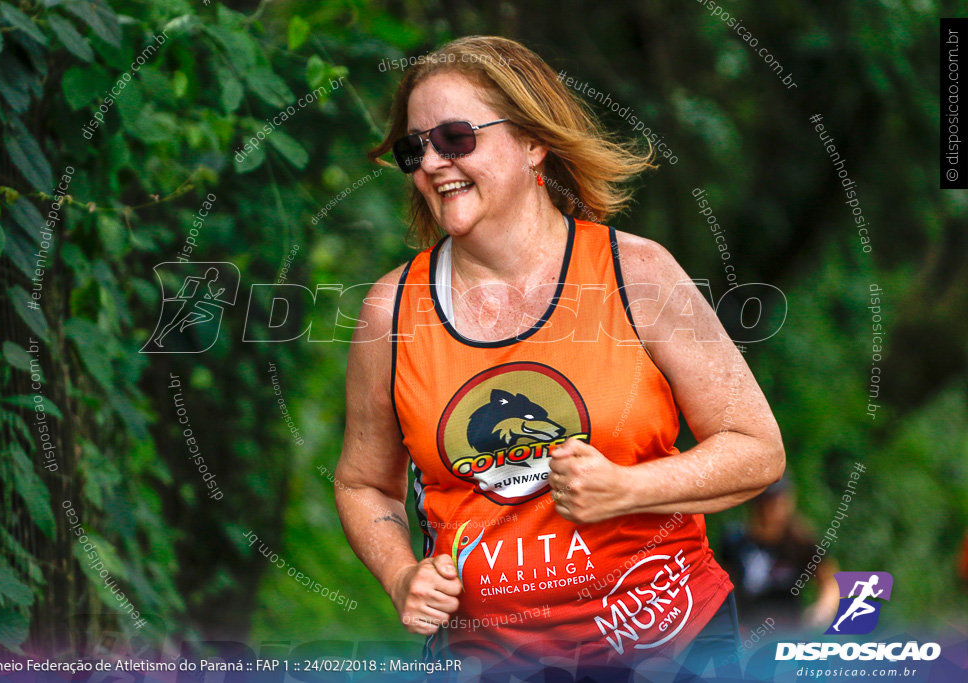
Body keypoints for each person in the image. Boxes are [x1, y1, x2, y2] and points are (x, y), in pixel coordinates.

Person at [334, 35, 785, 680]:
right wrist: (400, 573)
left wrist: (630, 488)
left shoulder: (637, 273)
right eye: (416, 148)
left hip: (669, 646)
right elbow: (363, 483)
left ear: (532, 141)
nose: (433, 162)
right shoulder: (392, 310)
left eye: (456, 138)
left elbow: (756, 448)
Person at [719, 478, 840, 635]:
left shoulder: (801, 542)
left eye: (777, 500)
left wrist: (823, 609)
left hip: (789, 633)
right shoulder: (734, 541)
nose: (771, 509)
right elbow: (722, 590)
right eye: (765, 501)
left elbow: (829, 581)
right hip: (746, 632)